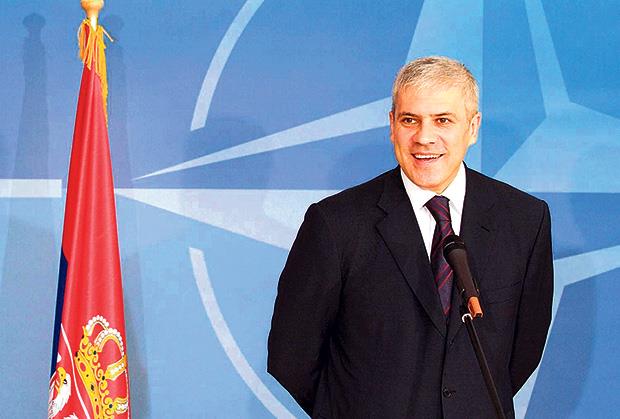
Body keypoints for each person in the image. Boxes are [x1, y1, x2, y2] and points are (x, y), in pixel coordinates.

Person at [267, 56, 553, 418]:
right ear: (392, 125)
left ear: (473, 127)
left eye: (443, 120)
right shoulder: (336, 223)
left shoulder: (524, 219)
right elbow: (291, 355)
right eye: (410, 120)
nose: (424, 137)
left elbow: (523, 349)